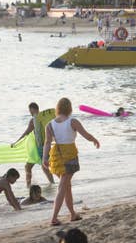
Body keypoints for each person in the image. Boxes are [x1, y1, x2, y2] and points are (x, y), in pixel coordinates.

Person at [43, 97, 100, 226]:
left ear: (57, 108)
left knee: (66, 186)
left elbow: (47, 143)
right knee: (63, 186)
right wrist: (94, 140)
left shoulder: (50, 124)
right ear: (69, 108)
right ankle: (54, 218)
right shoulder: (72, 121)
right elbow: (85, 134)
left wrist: (44, 158)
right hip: (69, 156)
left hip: (56, 156)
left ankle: (73, 214)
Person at [11, 102, 54, 187]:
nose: (29, 112)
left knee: (29, 167)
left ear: (32, 109)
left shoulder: (34, 120)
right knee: (43, 167)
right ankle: (52, 184)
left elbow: (27, 132)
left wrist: (17, 142)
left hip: (39, 148)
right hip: (46, 146)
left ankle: (28, 186)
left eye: (30, 110)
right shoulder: (44, 118)